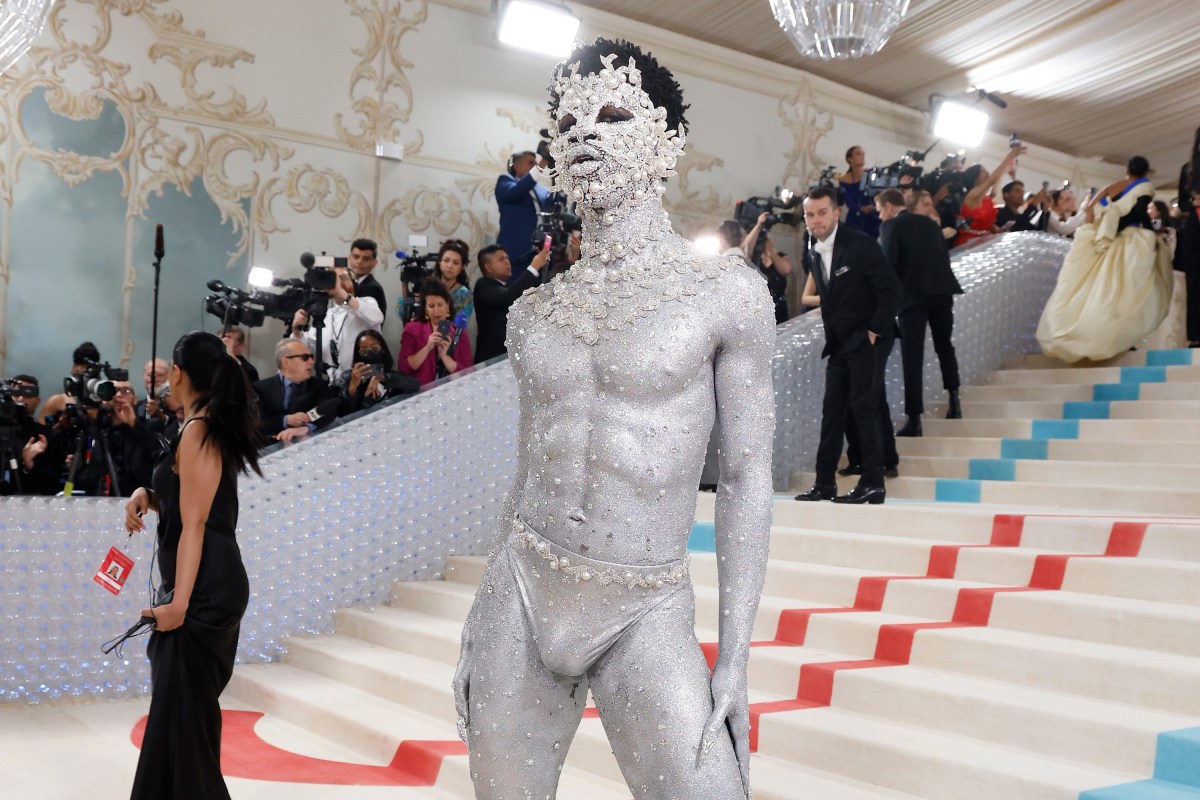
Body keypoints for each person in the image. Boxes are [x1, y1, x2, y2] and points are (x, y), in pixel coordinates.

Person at [453, 39, 774, 800]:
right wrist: (478, 616)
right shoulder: (534, 311)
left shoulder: (725, 293)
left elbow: (745, 474)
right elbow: (529, 464)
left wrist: (735, 654)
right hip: (523, 586)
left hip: (646, 600)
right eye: (565, 124)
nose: (582, 134)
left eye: (610, 114)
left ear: (667, 139)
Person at [122, 331, 261, 800]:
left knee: (182, 719)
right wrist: (151, 496)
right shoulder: (198, 425)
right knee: (180, 718)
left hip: (204, 587)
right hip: (204, 580)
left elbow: (198, 524)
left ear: (178, 373)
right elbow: (191, 506)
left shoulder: (200, 428)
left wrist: (179, 603)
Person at [793, 185, 901, 505]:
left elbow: (891, 290)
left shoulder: (860, 244)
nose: (815, 220)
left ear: (836, 212)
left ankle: (873, 482)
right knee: (832, 412)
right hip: (840, 343)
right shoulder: (813, 252)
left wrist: (874, 331)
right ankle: (824, 482)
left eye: (822, 213)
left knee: (864, 408)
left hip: (867, 338)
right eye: (809, 215)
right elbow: (828, 299)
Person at [1036, 156, 1174, 362]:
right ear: (1146, 172)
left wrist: (1094, 230)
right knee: (1129, 292)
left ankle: (1089, 334)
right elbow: (1139, 211)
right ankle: (1120, 338)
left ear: (1127, 169)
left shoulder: (1114, 186)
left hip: (1108, 243)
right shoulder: (1144, 188)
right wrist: (1151, 234)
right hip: (1131, 243)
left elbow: (1091, 207)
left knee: (1098, 290)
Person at [876, 188, 964, 436]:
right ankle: (955, 401)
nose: (881, 216)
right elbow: (943, 260)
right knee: (944, 346)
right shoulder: (931, 225)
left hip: (912, 298)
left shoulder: (892, 226)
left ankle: (914, 420)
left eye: (881, 210)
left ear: (891, 207)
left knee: (912, 357)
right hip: (942, 292)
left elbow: (888, 266)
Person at [290, 264, 383, 382]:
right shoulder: (326, 315)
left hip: (368, 382)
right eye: (334, 280)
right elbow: (306, 347)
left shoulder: (367, 302)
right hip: (335, 385)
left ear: (353, 282)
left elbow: (376, 318)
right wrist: (296, 330)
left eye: (343, 278)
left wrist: (342, 293)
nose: (339, 284)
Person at [251, 339, 340, 447]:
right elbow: (254, 423)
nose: (311, 362)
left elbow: (328, 412)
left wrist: (306, 428)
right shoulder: (260, 388)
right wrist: (286, 420)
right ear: (286, 362)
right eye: (305, 357)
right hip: (268, 449)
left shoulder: (319, 386)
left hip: (307, 447)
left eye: (311, 357)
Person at [472, 243, 550, 362]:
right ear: (488, 267)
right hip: (490, 359)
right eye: (501, 259)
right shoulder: (483, 286)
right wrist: (534, 267)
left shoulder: (508, 288)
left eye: (507, 258)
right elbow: (507, 297)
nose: (507, 262)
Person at [397, 279, 473, 386]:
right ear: (425, 309)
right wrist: (427, 347)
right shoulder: (412, 329)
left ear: (448, 306)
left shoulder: (459, 333)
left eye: (440, 305)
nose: (436, 311)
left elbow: (468, 374)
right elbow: (404, 368)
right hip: (420, 394)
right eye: (431, 306)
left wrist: (445, 357)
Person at [955, 144, 1025, 247]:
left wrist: (999, 230)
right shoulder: (971, 196)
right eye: (983, 171)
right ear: (975, 176)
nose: (987, 172)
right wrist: (1010, 156)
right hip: (969, 244)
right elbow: (992, 180)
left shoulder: (985, 198)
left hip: (983, 243)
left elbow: (994, 188)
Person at [496, 150, 551, 276]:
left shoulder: (541, 190)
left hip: (538, 253)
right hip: (514, 254)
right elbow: (518, 190)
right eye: (530, 162)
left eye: (536, 163)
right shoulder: (505, 181)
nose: (535, 166)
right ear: (516, 166)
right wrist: (543, 162)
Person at [337, 329, 417, 413]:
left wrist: (383, 377)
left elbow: (415, 385)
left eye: (374, 348)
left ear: (383, 349)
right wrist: (352, 388)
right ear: (359, 354)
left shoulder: (391, 375)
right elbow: (343, 412)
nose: (370, 353)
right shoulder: (348, 376)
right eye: (364, 351)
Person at [741, 212, 793, 324]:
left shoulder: (780, 256)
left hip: (779, 311)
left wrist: (771, 251)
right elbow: (745, 249)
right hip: (758, 312)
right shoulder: (752, 260)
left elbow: (786, 270)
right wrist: (758, 225)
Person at [1175, 127, 1200, 347]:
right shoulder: (1188, 170)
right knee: (1194, 279)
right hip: (1194, 225)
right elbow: (1181, 202)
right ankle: (1195, 335)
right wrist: (1193, 203)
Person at [40, 341, 101, 423]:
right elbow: (41, 433)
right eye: (76, 364)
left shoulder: (104, 403)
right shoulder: (58, 401)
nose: (78, 369)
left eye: (84, 365)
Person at [839, 145, 880, 237]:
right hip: (855, 216)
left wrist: (874, 206)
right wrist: (860, 208)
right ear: (850, 159)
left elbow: (878, 193)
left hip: (873, 215)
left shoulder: (871, 174)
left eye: (863, 154)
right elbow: (848, 200)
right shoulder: (844, 179)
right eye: (858, 154)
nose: (862, 156)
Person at [435, 238, 474, 322]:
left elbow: (460, 325)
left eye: (455, 263)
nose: (449, 266)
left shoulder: (464, 295)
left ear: (461, 267)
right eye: (446, 260)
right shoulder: (429, 287)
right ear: (439, 262)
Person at [347, 238, 387, 314]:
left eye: (366, 259)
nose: (359, 262)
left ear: (374, 263)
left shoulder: (373, 288)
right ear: (349, 258)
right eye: (356, 257)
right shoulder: (349, 282)